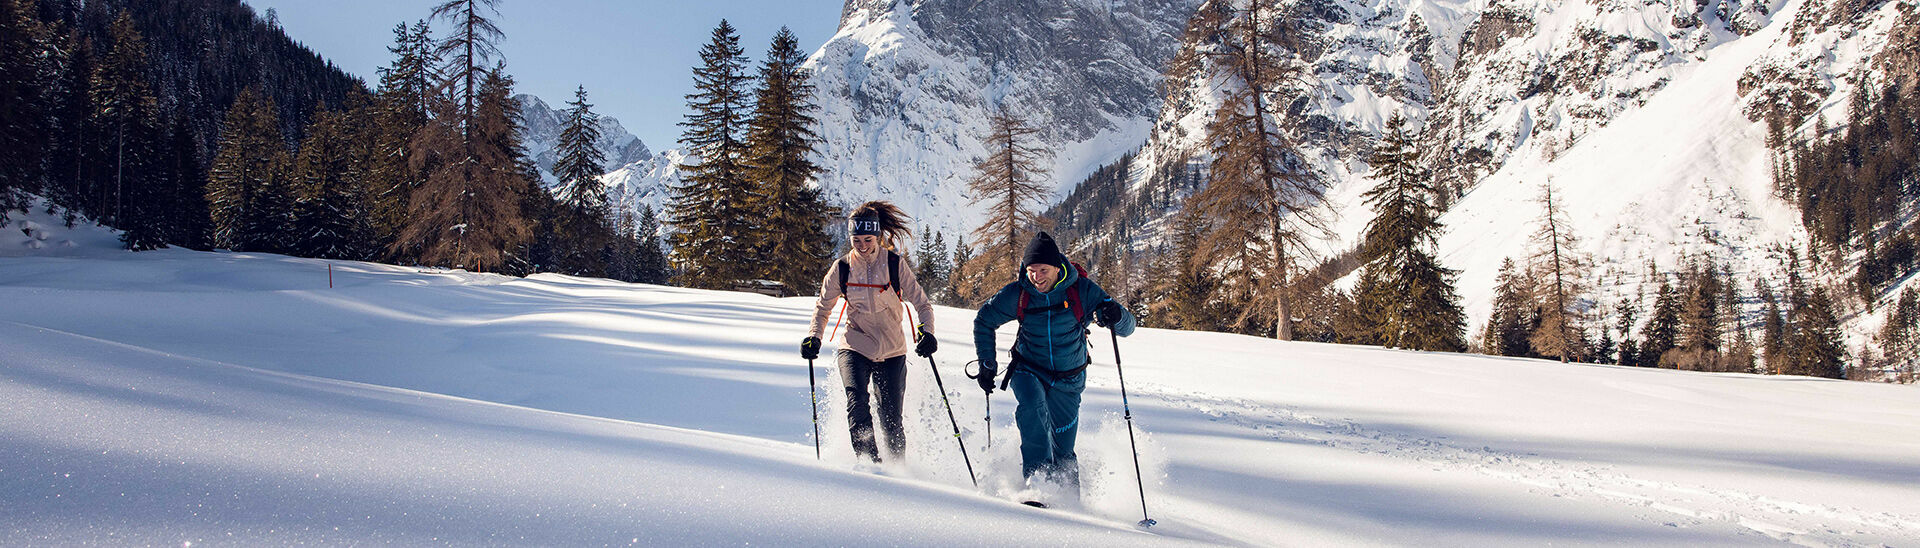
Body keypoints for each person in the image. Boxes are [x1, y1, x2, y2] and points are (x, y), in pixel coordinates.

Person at [972, 231, 1135, 497]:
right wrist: (987, 362)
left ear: (1058, 268)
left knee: (1063, 446)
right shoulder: (1018, 293)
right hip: (1028, 368)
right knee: (1032, 411)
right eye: (1031, 270)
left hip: (1069, 377)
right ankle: (1038, 483)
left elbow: (1128, 328)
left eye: (1043, 270)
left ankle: (1070, 502)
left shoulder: (1082, 290)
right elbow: (984, 320)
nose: (1036, 277)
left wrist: (1115, 315)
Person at [802, 201, 938, 464]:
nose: (862, 245)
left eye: (868, 239)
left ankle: (898, 469)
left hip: (892, 350)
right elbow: (822, 308)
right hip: (855, 345)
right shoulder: (841, 268)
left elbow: (922, 303)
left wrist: (928, 333)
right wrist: (814, 336)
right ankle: (869, 465)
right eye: (856, 239)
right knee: (857, 402)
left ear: (878, 236)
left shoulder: (895, 265)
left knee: (890, 420)